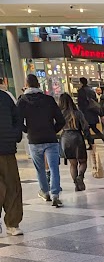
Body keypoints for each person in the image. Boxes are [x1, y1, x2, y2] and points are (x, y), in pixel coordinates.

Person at [16, 73, 65, 207]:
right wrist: (53, 130)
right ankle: (55, 194)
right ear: (38, 84)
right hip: (50, 138)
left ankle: (45, 192)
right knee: (54, 168)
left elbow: (18, 121)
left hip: (34, 139)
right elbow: (61, 120)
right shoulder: (49, 100)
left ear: (26, 85)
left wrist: (27, 130)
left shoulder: (22, 101)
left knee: (40, 169)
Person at [0, 74, 24, 236]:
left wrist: (14, 135)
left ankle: (12, 222)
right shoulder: (7, 97)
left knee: (11, 186)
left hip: (6, 148)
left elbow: (17, 118)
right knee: (11, 186)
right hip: (7, 147)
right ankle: (12, 223)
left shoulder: (6, 98)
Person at [59, 93, 88, 191]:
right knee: (83, 161)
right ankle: (80, 177)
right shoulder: (77, 113)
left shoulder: (60, 114)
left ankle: (76, 184)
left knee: (73, 164)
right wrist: (90, 140)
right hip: (77, 137)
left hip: (65, 138)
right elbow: (85, 127)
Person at [77, 76, 103, 147]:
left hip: (85, 113)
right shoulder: (91, 90)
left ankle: (91, 143)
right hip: (93, 112)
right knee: (94, 128)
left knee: (85, 129)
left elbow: (80, 103)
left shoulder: (81, 91)